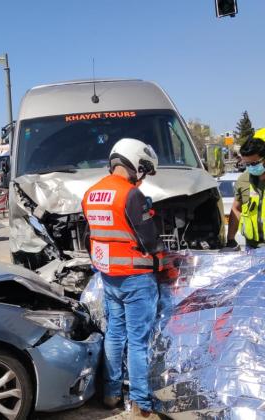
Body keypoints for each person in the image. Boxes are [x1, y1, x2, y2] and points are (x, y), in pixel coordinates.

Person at [81, 138, 164, 419]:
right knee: (138, 341)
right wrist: (163, 261)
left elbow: (90, 235)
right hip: (137, 278)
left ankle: (111, 393)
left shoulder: (91, 194)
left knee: (115, 334)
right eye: (143, 170)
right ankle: (141, 401)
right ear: (134, 164)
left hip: (110, 277)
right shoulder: (131, 195)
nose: (142, 177)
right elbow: (149, 240)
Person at [226, 128, 265, 249]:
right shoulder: (243, 180)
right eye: (247, 164)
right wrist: (231, 240)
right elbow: (236, 209)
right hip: (252, 247)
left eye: (254, 163)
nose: (251, 168)